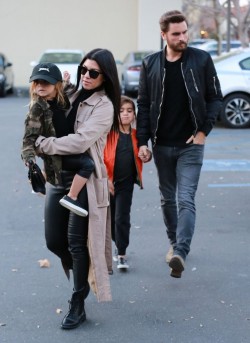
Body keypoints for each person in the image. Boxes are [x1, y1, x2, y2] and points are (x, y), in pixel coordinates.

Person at [34, 48, 121, 329]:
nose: (86, 75)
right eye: (84, 69)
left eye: (93, 72)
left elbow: (80, 141)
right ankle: (83, 277)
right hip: (57, 178)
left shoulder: (105, 106)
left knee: (75, 242)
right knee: (54, 241)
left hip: (83, 183)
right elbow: (49, 104)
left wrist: (44, 145)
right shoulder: (72, 94)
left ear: (105, 76)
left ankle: (78, 301)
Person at [137, 10, 223, 278]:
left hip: (191, 145)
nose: (183, 37)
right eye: (177, 34)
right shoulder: (150, 64)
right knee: (167, 199)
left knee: (185, 198)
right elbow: (143, 105)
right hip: (162, 145)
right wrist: (142, 141)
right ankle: (174, 243)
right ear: (164, 35)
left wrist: (203, 132)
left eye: (185, 32)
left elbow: (215, 98)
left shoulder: (201, 59)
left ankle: (180, 252)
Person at [21, 63, 95, 217]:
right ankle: (71, 197)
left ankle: (45, 174)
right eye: (37, 82)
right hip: (57, 154)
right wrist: (29, 158)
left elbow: (63, 93)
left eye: (46, 82)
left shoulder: (57, 100)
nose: (41, 86)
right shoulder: (37, 109)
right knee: (87, 164)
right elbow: (28, 138)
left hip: (64, 147)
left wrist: (66, 82)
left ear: (56, 85)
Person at [104, 96, 148, 270]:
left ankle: (121, 253)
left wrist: (147, 155)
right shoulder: (108, 134)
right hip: (107, 183)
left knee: (122, 217)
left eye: (129, 111)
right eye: (121, 111)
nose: (125, 114)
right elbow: (99, 156)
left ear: (134, 115)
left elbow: (144, 155)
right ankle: (115, 243)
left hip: (126, 184)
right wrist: (105, 179)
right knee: (110, 219)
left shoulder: (137, 136)